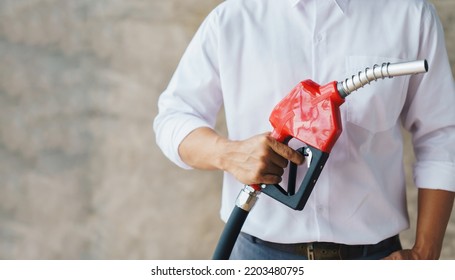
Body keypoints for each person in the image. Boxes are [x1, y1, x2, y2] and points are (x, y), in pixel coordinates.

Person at [153, 0, 455, 260]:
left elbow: (442, 135)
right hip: (258, 257)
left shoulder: (409, 15)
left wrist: (426, 252)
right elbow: (173, 117)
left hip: (375, 258)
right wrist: (228, 154)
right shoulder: (233, 19)